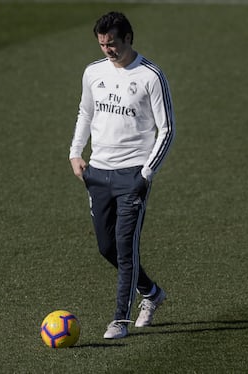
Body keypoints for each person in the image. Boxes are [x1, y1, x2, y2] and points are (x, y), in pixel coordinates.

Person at [69, 11, 175, 339]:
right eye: (102, 44)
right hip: (97, 173)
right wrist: (75, 152)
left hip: (132, 175)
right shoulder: (93, 72)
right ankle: (152, 293)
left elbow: (167, 128)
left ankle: (120, 320)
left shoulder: (150, 76)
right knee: (106, 248)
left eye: (112, 43)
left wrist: (146, 173)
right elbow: (86, 111)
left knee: (125, 246)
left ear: (129, 38)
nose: (108, 50)